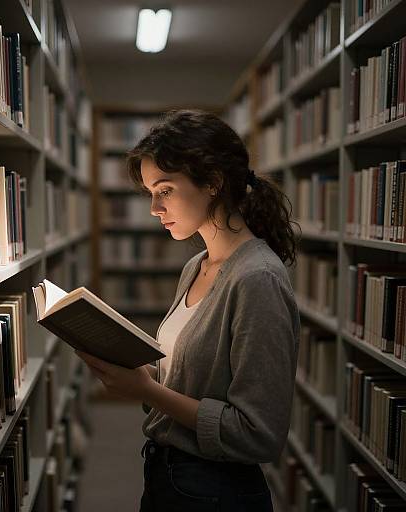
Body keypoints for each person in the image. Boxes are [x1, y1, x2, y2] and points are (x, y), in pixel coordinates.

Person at [75, 109, 300, 511]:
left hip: (216, 491)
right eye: (150, 193)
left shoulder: (257, 279)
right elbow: (195, 381)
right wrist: (141, 373)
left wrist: (148, 392)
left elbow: (258, 433)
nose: (154, 208)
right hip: (169, 473)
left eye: (164, 190)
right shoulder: (195, 266)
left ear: (213, 183)